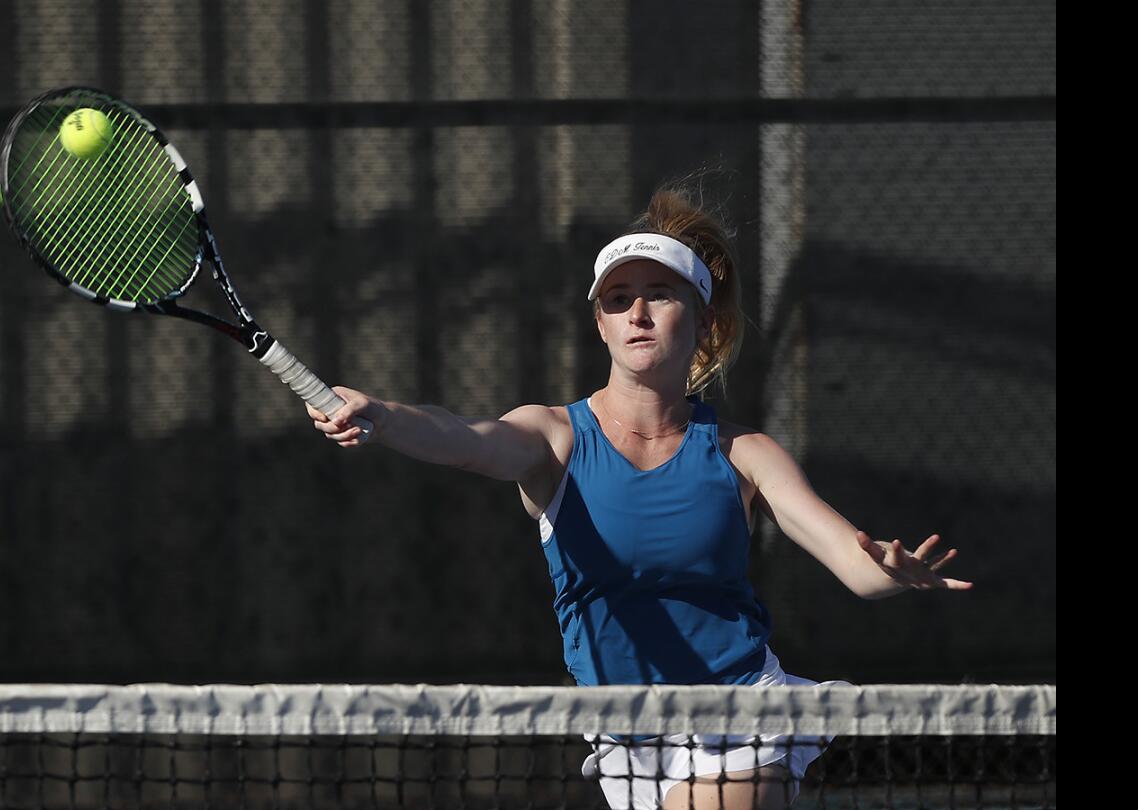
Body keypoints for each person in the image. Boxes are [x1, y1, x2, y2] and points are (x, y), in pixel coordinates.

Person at [306, 179, 972, 810]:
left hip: (740, 715)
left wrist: (887, 570)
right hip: (622, 730)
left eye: (660, 293)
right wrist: (385, 415)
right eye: (618, 299)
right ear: (600, 323)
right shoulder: (554, 437)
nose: (638, 313)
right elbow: (466, 437)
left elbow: (851, 558)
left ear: (703, 318)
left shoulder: (746, 453)